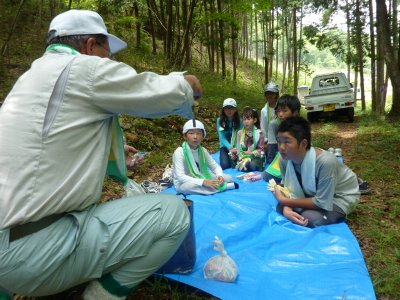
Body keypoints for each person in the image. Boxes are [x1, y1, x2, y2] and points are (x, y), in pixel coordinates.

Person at [0, 9, 203, 299]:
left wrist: (114, 149)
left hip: (8, 241)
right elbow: (163, 93)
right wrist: (187, 84)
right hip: (29, 254)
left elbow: (44, 140)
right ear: (91, 45)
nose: (110, 60)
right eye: (108, 53)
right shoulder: (83, 68)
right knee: (174, 215)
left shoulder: (29, 80)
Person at [272, 116, 360, 228]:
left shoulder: (325, 162)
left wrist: (284, 201)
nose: (281, 147)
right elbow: (287, 189)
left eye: (287, 142)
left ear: (304, 144)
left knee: (310, 218)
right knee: (281, 208)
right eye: (279, 142)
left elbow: (321, 202)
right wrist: (286, 208)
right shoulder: (284, 160)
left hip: (338, 197)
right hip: (310, 195)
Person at [173, 120, 238, 195]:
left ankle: (215, 187)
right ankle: (224, 187)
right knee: (186, 188)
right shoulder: (179, 152)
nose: (195, 137)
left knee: (228, 178)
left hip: (202, 175)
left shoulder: (203, 150)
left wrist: (220, 176)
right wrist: (203, 182)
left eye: (199, 133)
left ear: (203, 136)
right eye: (191, 133)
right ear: (185, 136)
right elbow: (180, 176)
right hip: (185, 182)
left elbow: (215, 167)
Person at [262, 94, 301, 182]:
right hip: (282, 156)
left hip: (299, 159)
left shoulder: (301, 126)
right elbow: (272, 147)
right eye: (278, 111)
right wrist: (270, 164)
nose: (280, 114)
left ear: (295, 113)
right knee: (266, 175)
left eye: (284, 111)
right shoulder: (274, 124)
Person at [235, 107, 265, 172]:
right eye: (244, 119)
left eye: (248, 119)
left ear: (255, 120)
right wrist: (241, 155)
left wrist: (251, 153)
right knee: (242, 166)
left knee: (252, 165)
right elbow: (238, 148)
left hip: (256, 157)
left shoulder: (260, 133)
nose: (246, 121)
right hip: (244, 156)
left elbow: (261, 149)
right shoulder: (240, 133)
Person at [216, 98, 243, 169]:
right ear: (223, 110)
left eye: (231, 108)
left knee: (236, 164)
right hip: (225, 146)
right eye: (226, 108)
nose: (229, 110)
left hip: (236, 146)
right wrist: (230, 148)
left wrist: (236, 149)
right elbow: (222, 137)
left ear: (235, 109)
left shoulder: (240, 121)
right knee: (225, 165)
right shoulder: (220, 121)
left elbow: (240, 136)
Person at [260, 82, 280, 152]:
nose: (270, 96)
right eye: (268, 94)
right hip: (270, 141)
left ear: (276, 94)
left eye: (272, 94)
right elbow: (263, 128)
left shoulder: (281, 108)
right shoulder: (264, 111)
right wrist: (265, 141)